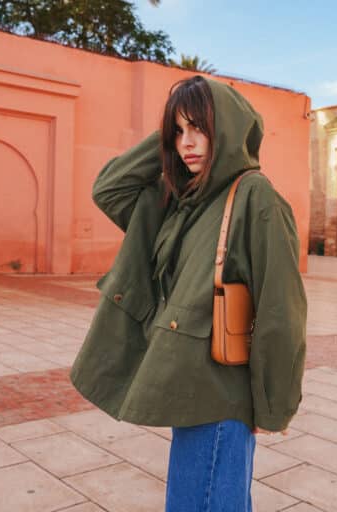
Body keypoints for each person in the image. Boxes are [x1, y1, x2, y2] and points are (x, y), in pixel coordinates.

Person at [69, 75, 307, 512]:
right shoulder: (180, 199)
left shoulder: (255, 196)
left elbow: (281, 307)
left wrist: (275, 403)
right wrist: (166, 131)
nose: (187, 143)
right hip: (189, 383)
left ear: (228, 129)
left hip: (220, 393)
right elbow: (110, 188)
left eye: (199, 127)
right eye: (178, 131)